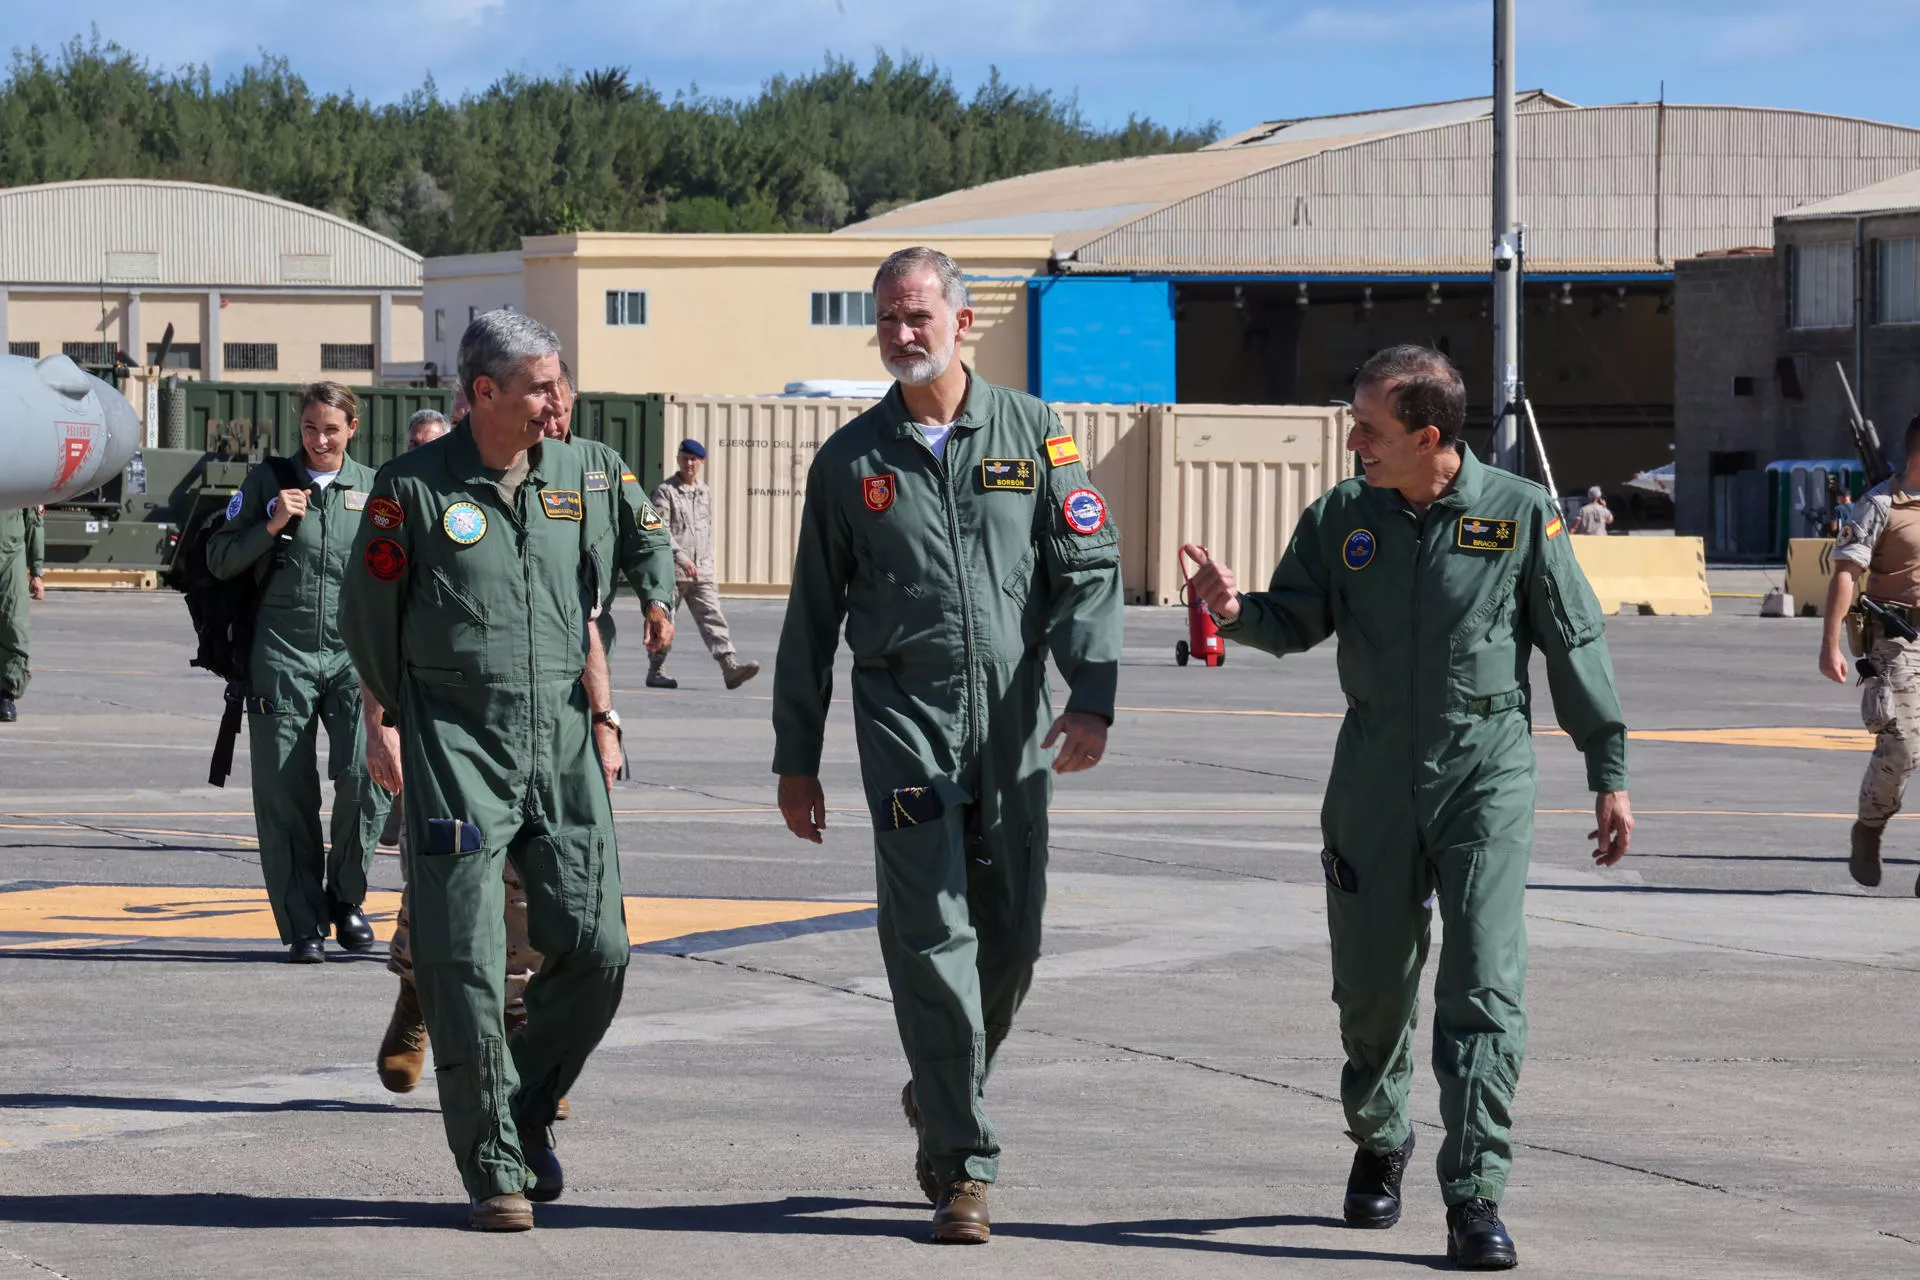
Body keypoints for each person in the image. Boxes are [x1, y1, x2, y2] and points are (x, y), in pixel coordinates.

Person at [1186, 345, 1633, 1271]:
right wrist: (1233, 610)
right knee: (1373, 983)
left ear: (1430, 435)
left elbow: (1574, 642)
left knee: (1483, 985)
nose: (1354, 442)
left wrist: (1608, 769)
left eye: (1370, 429)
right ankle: (1380, 1134)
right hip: (1374, 776)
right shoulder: (1343, 515)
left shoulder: (1518, 514)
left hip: (1486, 775)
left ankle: (1475, 1195)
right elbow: (1293, 620)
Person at [772, 246, 1124, 1245]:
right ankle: (963, 1165)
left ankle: (940, 1085)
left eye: (918, 314)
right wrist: (796, 758)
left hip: (1014, 720)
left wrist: (1090, 694)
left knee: (1009, 939)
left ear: (962, 322)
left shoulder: (1035, 433)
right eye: (886, 317)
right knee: (932, 937)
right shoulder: (851, 462)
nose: (901, 332)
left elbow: (1089, 567)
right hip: (904, 722)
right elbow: (810, 618)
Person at [342, 310, 667, 1232]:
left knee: (598, 946)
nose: (559, 400)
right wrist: (397, 717)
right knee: (464, 959)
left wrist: (655, 601)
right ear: (484, 393)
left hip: (560, 738)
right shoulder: (408, 490)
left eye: (560, 382)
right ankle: (493, 1166)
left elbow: (637, 546)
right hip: (459, 742)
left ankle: (523, 1113)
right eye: (540, 387)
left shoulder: (586, 471)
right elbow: (369, 619)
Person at [206, 382, 392, 964]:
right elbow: (218, 558)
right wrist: (269, 524)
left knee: (368, 777)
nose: (319, 440)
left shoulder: (374, 487)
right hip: (280, 654)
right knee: (285, 793)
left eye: (331, 429)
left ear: (352, 429)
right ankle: (302, 921)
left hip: (353, 657)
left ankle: (347, 898)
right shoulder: (270, 480)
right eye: (310, 428)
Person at [1819, 415, 1920, 895]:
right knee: (1901, 749)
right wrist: (1830, 643)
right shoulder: (1879, 504)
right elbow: (1845, 573)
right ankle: (1870, 827)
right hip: (1897, 643)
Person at [648, 439, 761, 690]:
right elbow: (660, 530)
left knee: (713, 618)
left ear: (701, 462)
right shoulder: (665, 492)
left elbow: (705, 531)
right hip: (673, 570)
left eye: (694, 459)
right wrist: (681, 557)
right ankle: (656, 670)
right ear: (678, 459)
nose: (689, 463)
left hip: (703, 571)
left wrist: (706, 562)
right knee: (664, 620)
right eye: (685, 458)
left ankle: (730, 667)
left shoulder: (705, 492)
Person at [0, 505, 45, 722]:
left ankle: (6, 695)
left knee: (14, 623)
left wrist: (36, 572)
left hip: (11, 555)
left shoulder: (19, 474)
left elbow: (34, 521)